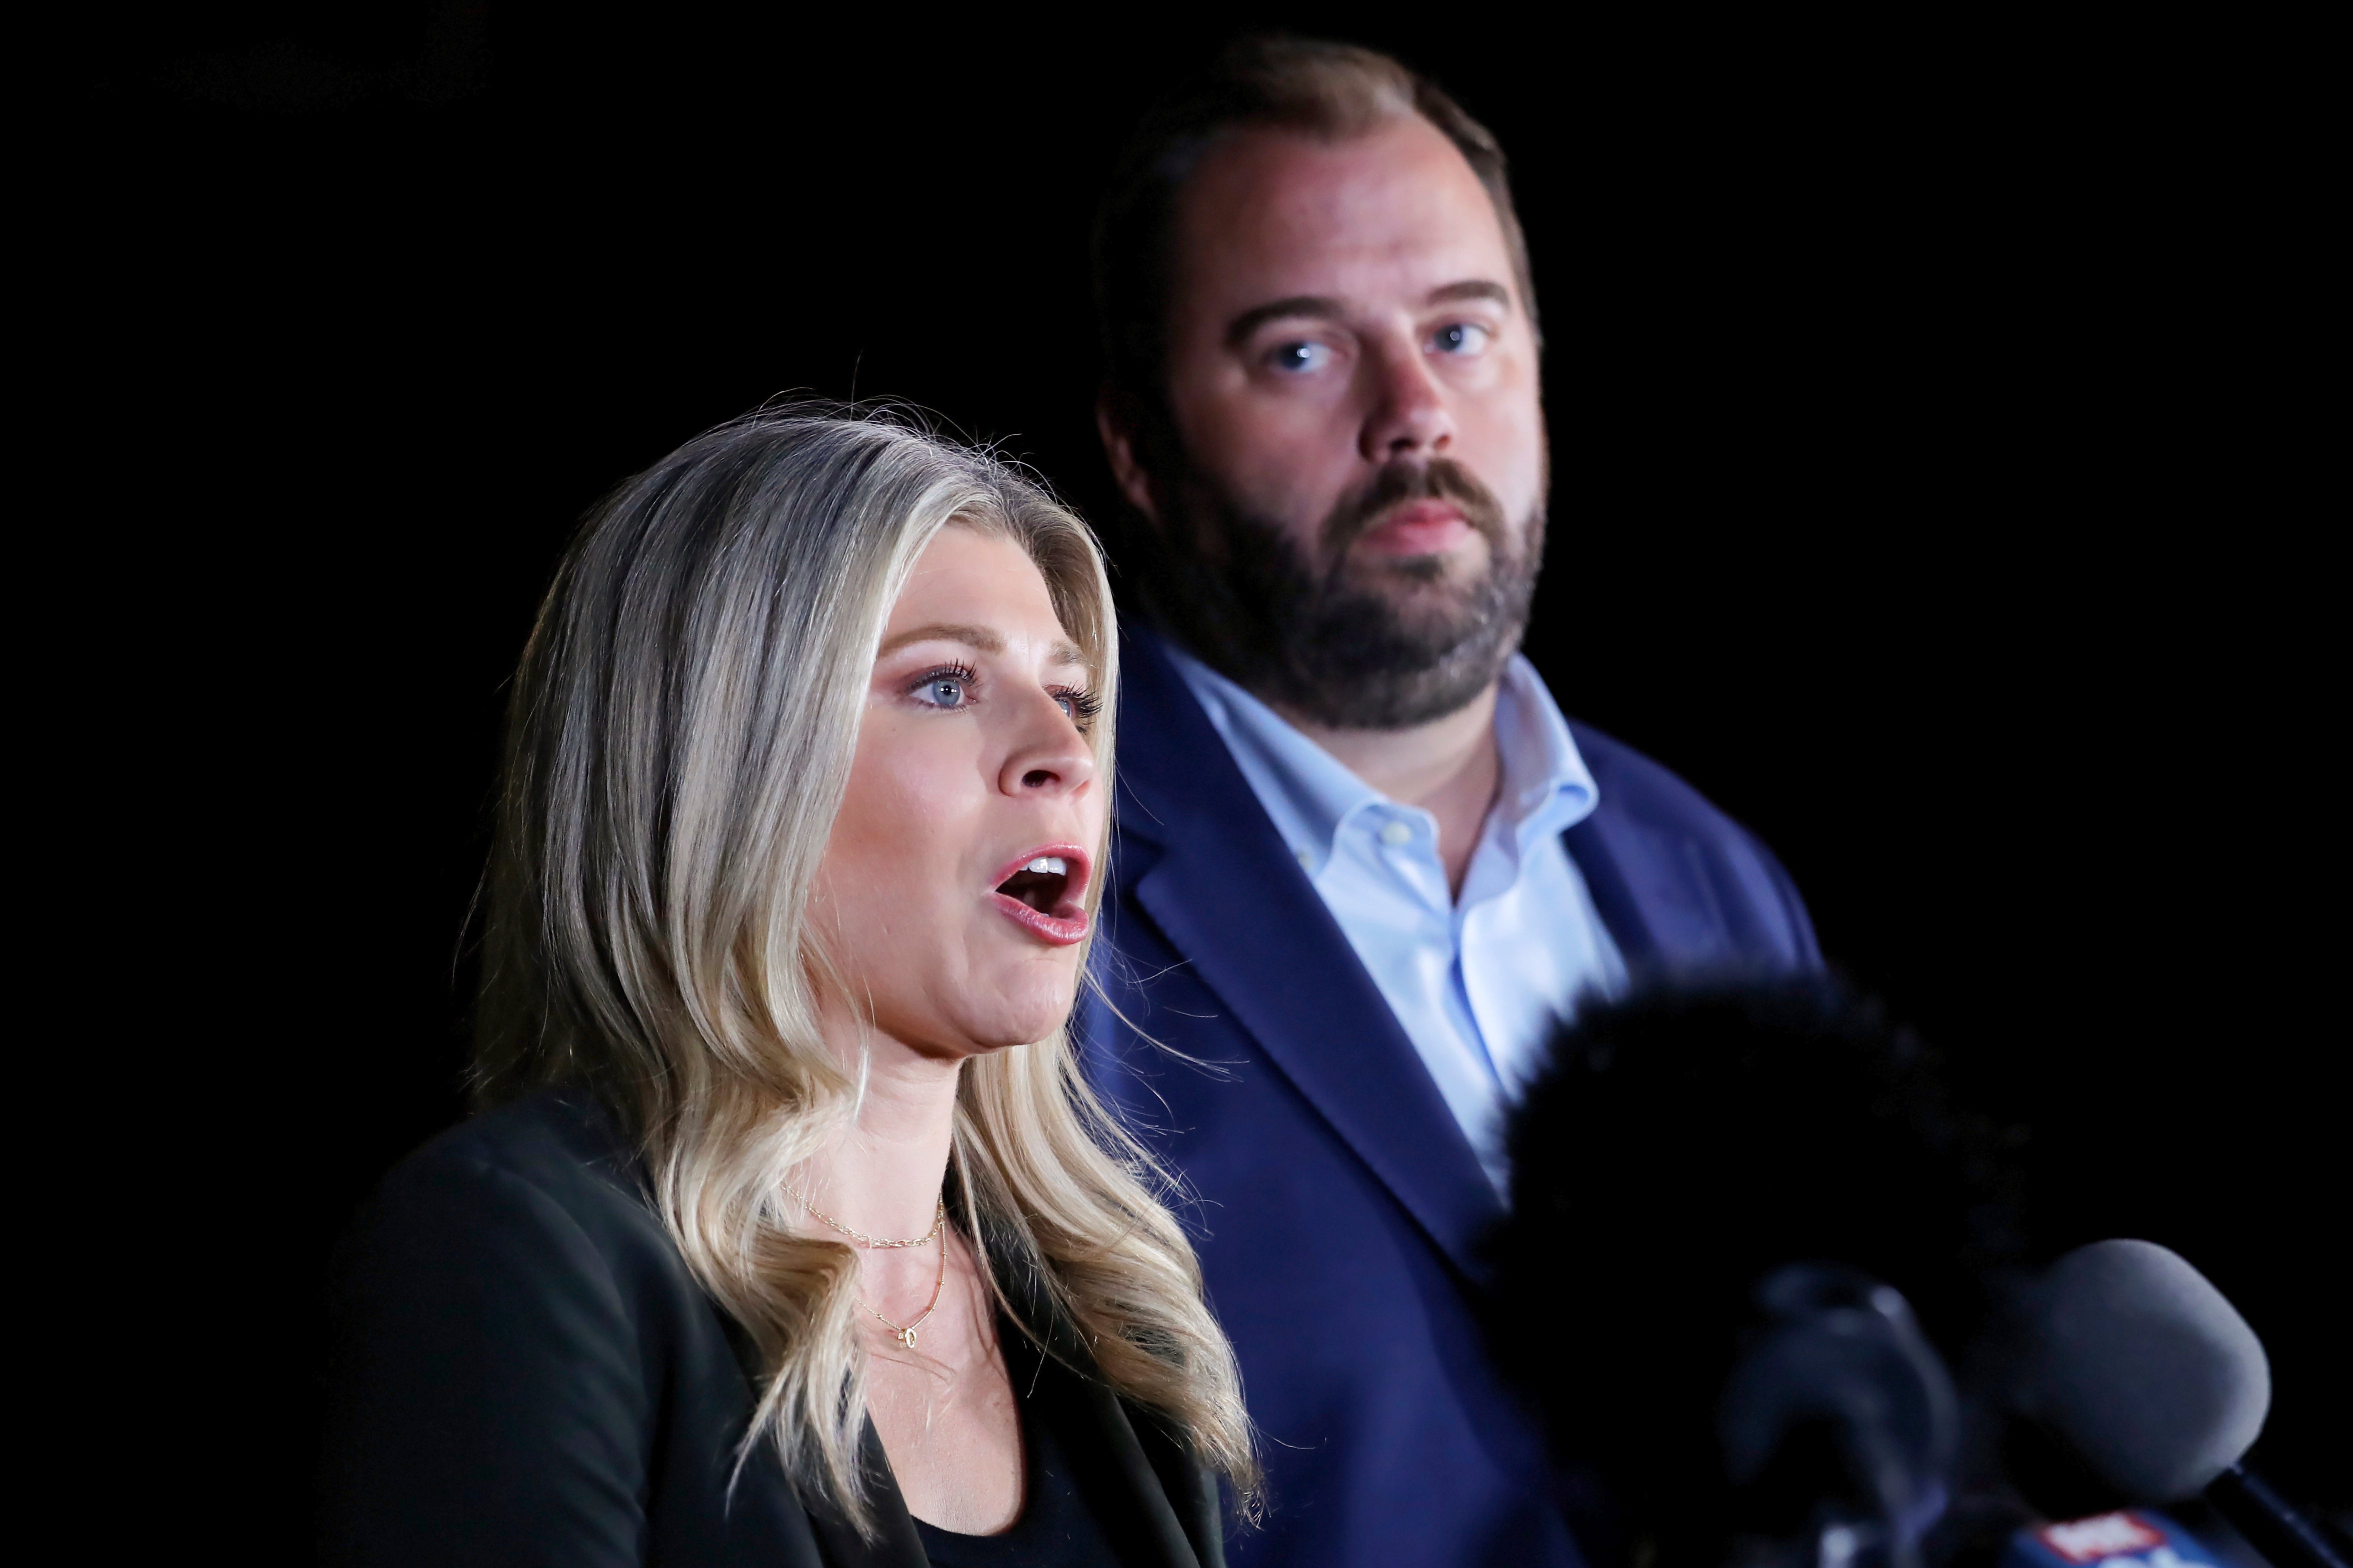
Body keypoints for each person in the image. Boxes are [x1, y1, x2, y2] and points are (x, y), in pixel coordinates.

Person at [1080, 39, 1823, 1566]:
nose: (1412, 413)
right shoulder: (1027, 900)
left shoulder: (1711, 879)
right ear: (1139, 451)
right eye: (1302, 352)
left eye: (1463, 334)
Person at [320, 411, 1256, 1567]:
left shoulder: (1109, 1330)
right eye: (947, 685)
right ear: (726, 761)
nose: (1062, 753)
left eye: (1073, 700)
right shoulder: (514, 1254)